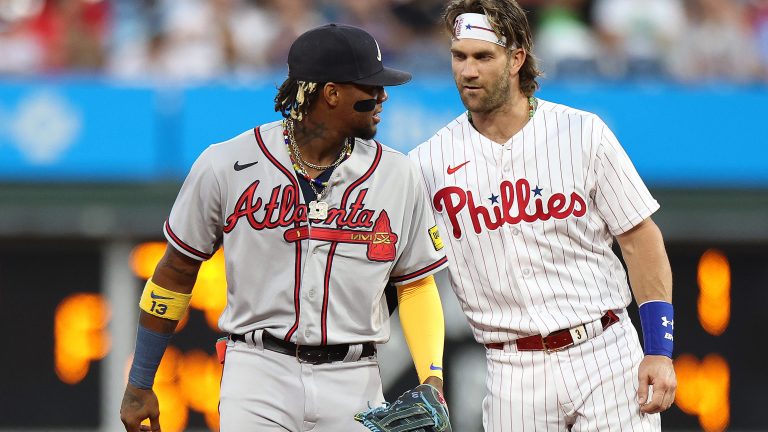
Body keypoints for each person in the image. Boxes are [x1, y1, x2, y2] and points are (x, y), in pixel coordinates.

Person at [120, 23, 450, 432]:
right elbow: (175, 271)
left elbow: (415, 283)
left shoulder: (397, 174)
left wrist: (432, 379)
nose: (382, 96)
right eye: (370, 88)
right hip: (258, 372)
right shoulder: (227, 163)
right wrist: (140, 382)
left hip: (355, 378)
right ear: (330, 93)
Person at [409, 1, 677, 430]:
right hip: (511, 369)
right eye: (459, 56)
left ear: (517, 58)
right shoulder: (427, 163)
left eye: (483, 56)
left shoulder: (582, 132)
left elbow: (640, 238)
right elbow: (406, 272)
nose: (468, 71)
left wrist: (659, 349)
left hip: (604, 350)